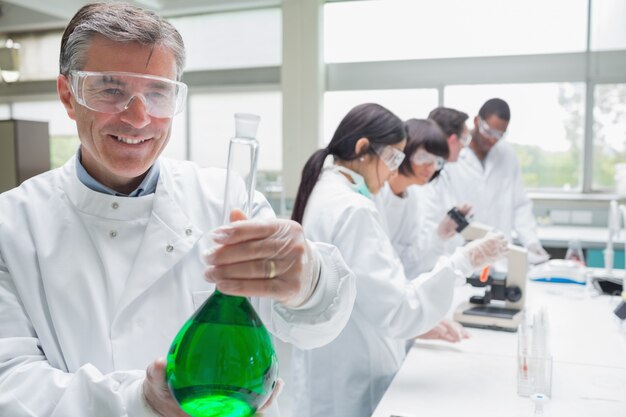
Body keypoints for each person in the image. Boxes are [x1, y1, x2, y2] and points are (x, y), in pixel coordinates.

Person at [0, 4, 357, 417]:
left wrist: (309, 281)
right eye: (111, 90)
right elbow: (9, 381)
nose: (138, 117)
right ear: (68, 94)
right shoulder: (11, 226)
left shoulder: (226, 199)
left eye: (157, 92)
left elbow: (317, 326)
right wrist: (137, 403)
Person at [289, 103, 508, 417]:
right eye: (392, 157)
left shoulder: (328, 191)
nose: (395, 169)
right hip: (355, 368)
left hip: (337, 362)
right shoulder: (353, 209)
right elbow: (396, 310)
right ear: (363, 149)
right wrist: (463, 261)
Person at [427, 99, 549, 263]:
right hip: (461, 251)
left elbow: (520, 204)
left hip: (499, 255)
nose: (492, 139)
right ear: (477, 121)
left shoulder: (507, 154)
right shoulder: (452, 158)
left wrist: (531, 242)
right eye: (488, 131)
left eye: (499, 134)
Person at [416, 107, 474, 261]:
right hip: (425, 269)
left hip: (442, 264)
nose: (464, 146)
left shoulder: (442, 174)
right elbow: (425, 237)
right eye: (464, 139)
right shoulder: (422, 180)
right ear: (452, 140)